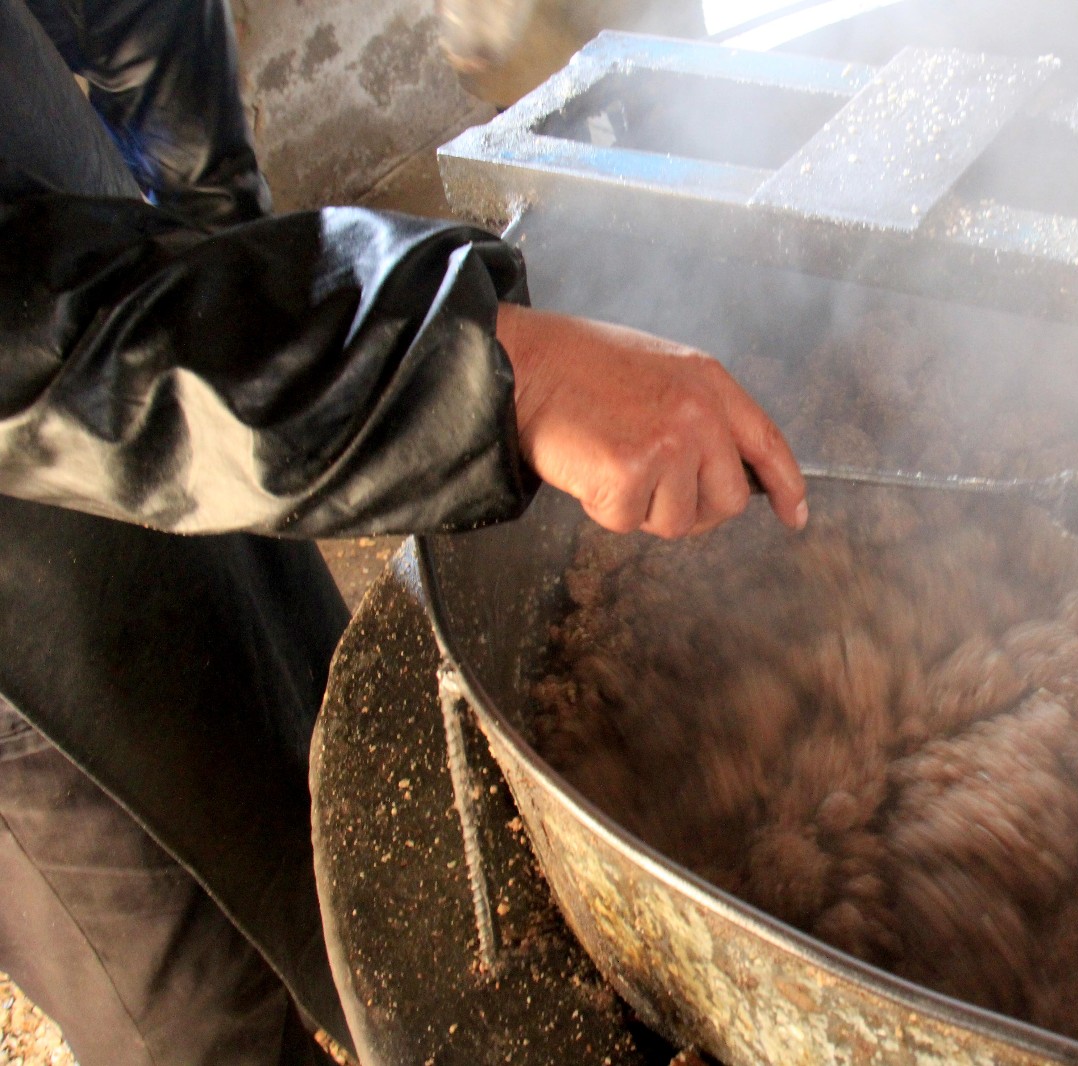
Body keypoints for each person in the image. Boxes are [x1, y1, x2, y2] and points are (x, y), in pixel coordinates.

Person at [0, 0, 807, 1062]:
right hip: (21, 624)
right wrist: (497, 372)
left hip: (144, 304)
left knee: (302, 787)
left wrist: (224, 236)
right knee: (190, 996)